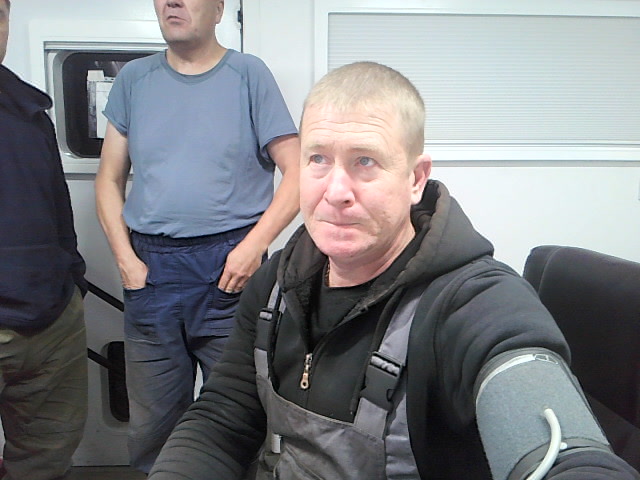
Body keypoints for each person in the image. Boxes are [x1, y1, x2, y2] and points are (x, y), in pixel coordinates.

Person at [147, 61, 640, 480]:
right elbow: (224, 416)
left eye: (365, 161)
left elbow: (562, 450)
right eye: (318, 159)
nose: (335, 191)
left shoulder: (474, 302)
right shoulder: (277, 283)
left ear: (416, 178)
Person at [95, 0, 300, 473]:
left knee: (235, 419)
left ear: (219, 9)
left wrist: (252, 248)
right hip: (150, 271)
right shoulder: (134, 80)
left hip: (230, 270)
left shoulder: (249, 75)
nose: (172, 1)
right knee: (152, 426)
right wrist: (125, 258)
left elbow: (297, 173)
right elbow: (108, 177)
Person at [0, 1, 88, 479]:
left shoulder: (30, 111)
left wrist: (72, 279)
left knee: (45, 463)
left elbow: (58, 209)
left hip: (52, 321)